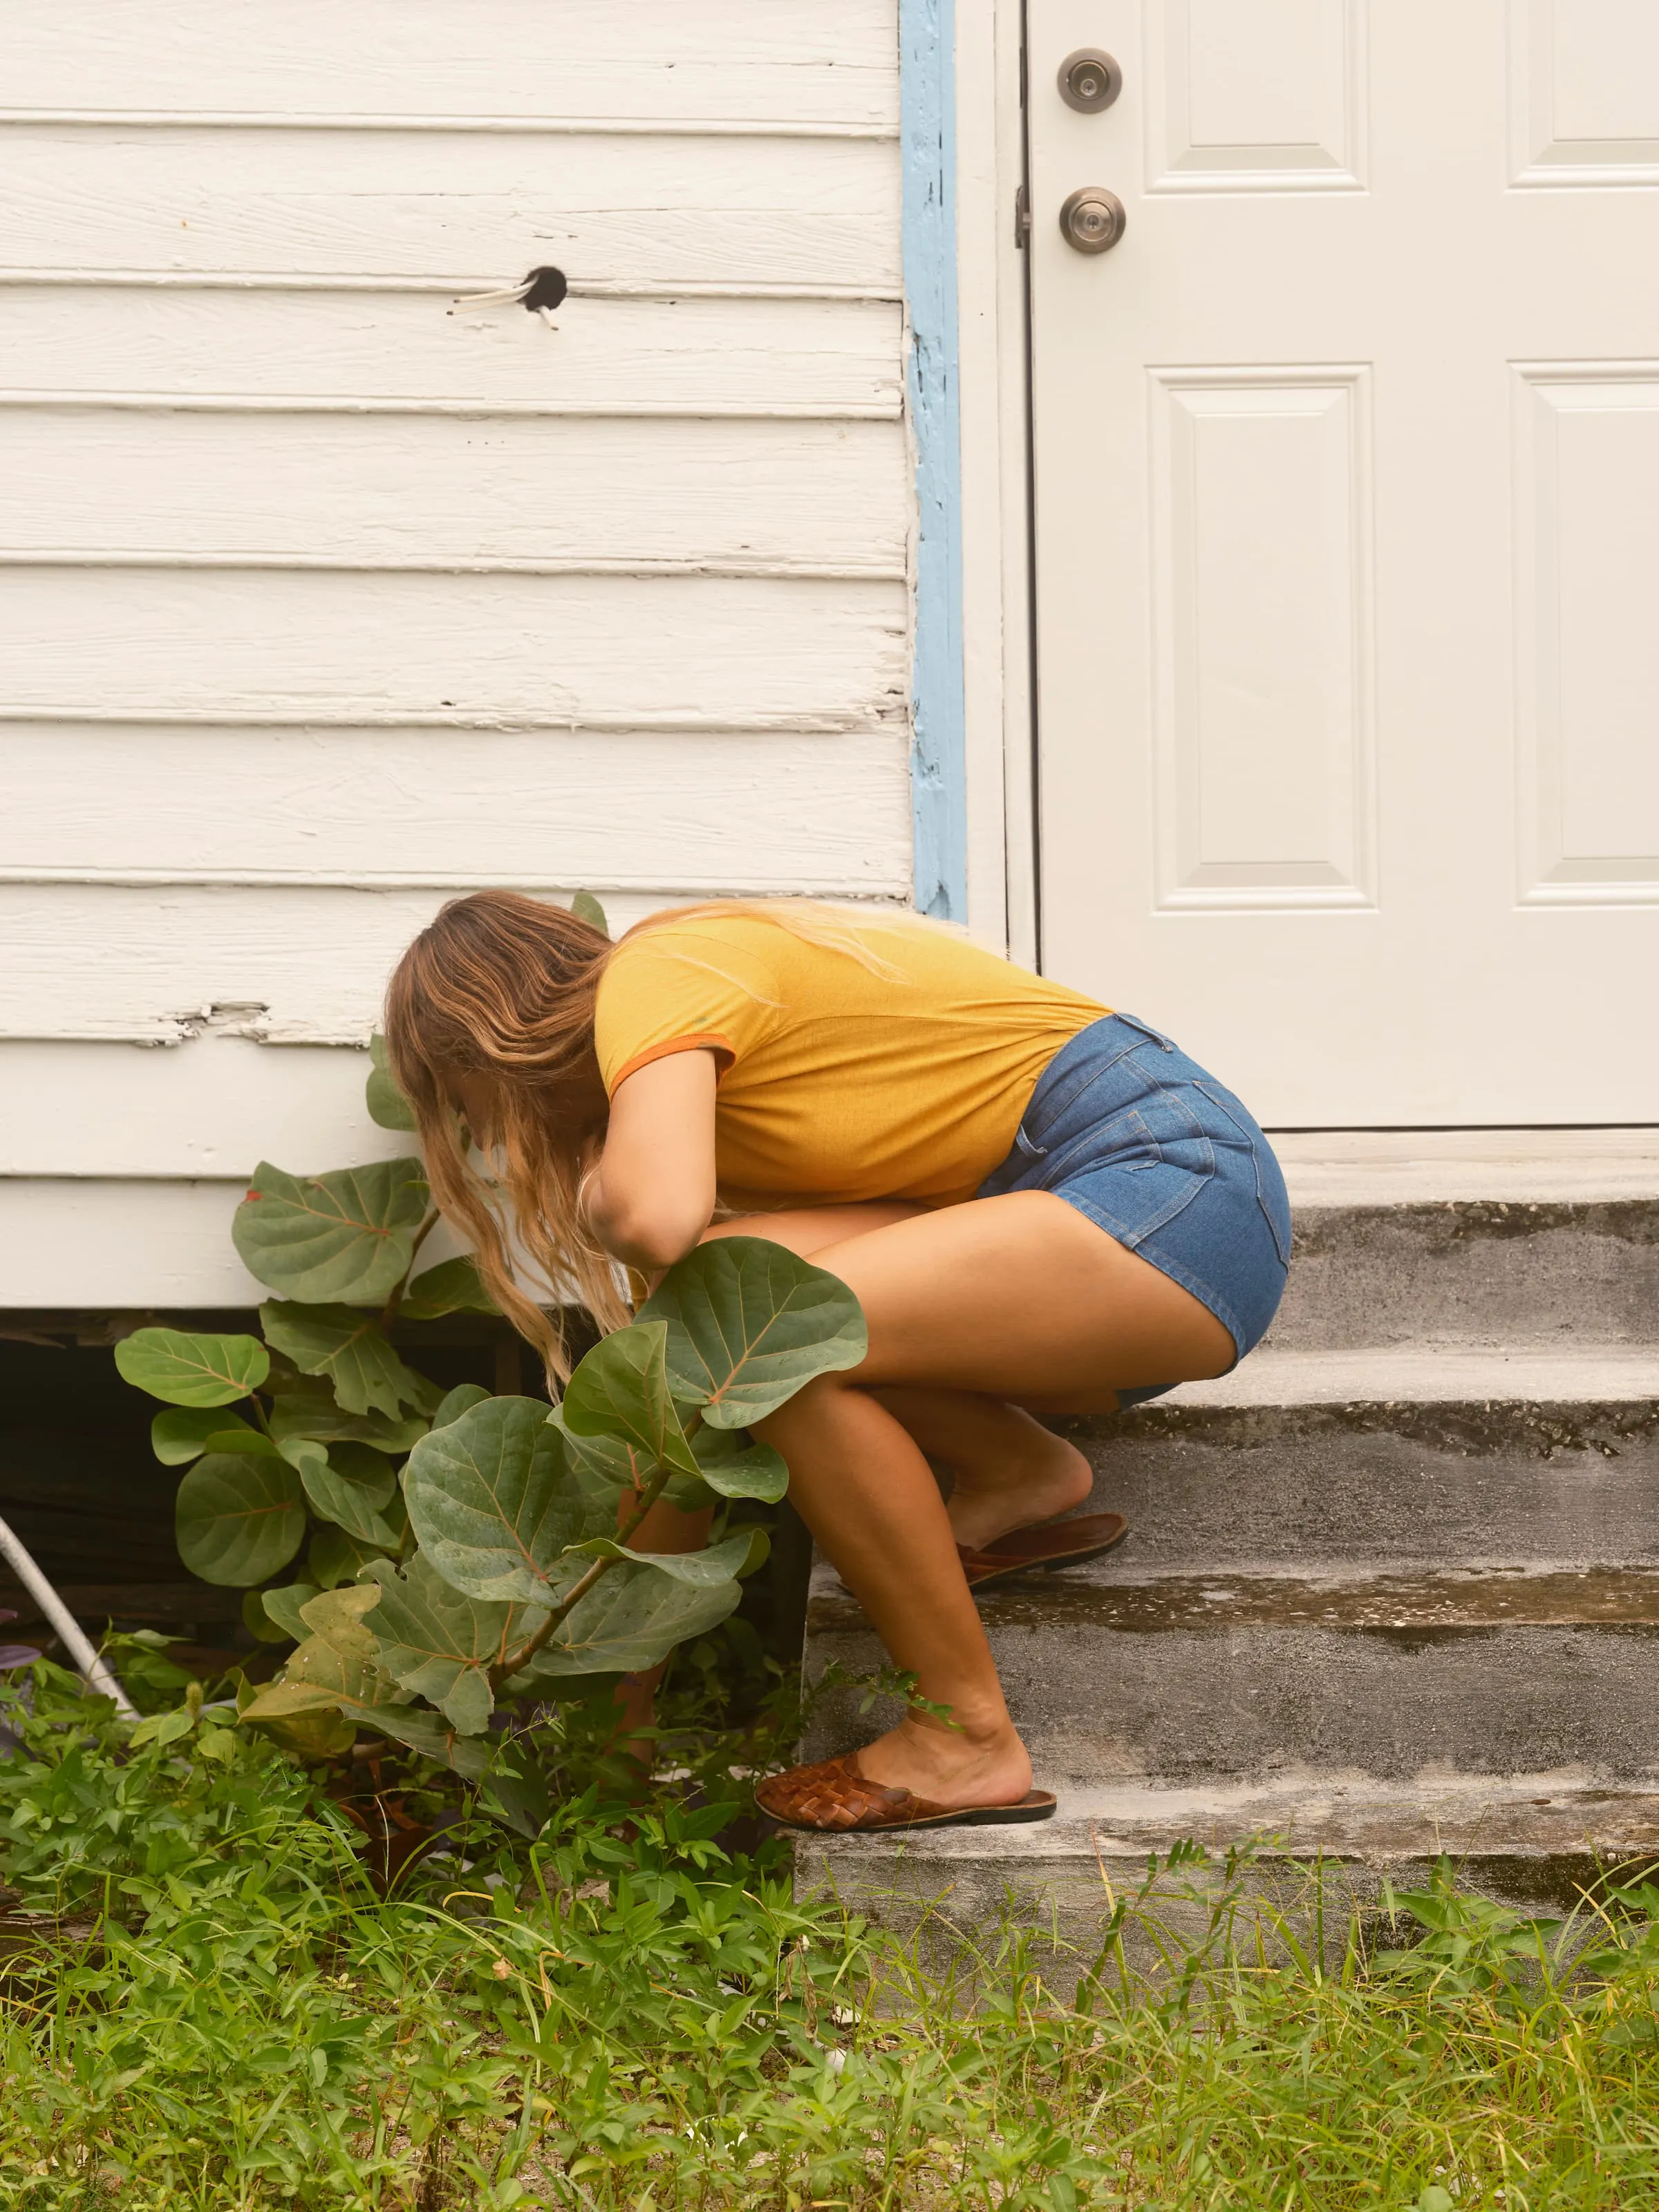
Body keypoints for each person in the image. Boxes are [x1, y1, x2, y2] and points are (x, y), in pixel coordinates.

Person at [384, 892, 1289, 1834]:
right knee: (705, 1316)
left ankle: (965, 1740)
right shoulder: (681, 1043)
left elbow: (652, 1216)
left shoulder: (652, 974)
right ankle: (1014, 1473)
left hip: (1172, 1186)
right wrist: (611, 1737)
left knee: (763, 1343)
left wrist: (595, 1192)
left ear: (487, 1044)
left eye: (464, 1106)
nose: (486, 1139)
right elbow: (677, 1330)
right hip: (1076, 1242)